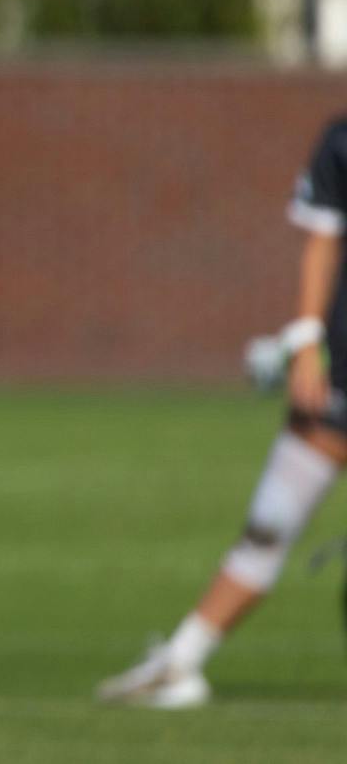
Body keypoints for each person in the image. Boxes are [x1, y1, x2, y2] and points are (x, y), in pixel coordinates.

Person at [97, 114, 347, 709]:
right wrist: (306, 340)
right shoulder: (342, 139)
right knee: (269, 524)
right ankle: (182, 661)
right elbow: (321, 241)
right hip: (343, 374)